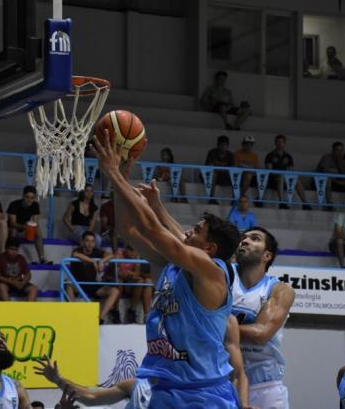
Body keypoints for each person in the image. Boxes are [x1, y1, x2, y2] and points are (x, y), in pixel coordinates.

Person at [93, 130, 242, 408]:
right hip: (165, 386)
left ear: (209, 248)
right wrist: (122, 177)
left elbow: (154, 229)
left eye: (196, 230)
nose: (187, 231)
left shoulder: (212, 270)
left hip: (204, 392)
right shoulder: (171, 267)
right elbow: (127, 229)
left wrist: (112, 173)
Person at [33, 316, 250, 408]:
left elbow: (238, 375)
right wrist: (58, 380)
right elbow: (91, 397)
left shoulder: (197, 392)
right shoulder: (136, 386)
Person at [231, 226, 295, 409]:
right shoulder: (224, 275)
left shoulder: (280, 290)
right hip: (225, 379)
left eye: (255, 238)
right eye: (243, 237)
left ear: (267, 255)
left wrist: (218, 324)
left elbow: (261, 333)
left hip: (264, 385)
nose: (245, 240)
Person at [66, 231, 119, 324]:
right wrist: (92, 261)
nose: (90, 244)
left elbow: (111, 255)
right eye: (87, 241)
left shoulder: (96, 251)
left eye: (92, 241)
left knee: (115, 291)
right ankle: (73, 314)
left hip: (92, 284)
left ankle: (100, 319)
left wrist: (102, 261)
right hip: (78, 284)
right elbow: (76, 255)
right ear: (82, 242)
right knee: (68, 284)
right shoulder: (77, 250)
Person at [103, 244, 153, 324]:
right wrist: (127, 274)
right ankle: (116, 311)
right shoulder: (119, 254)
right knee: (118, 281)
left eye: (135, 251)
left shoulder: (136, 255)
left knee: (140, 282)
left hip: (129, 283)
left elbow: (136, 274)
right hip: (119, 283)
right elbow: (117, 273)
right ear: (126, 250)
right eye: (131, 251)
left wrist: (129, 273)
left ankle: (132, 311)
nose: (134, 253)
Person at [264, 135, 312, 210]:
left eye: (282, 142)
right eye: (278, 142)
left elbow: (290, 170)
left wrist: (287, 176)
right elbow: (269, 171)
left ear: (285, 143)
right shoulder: (270, 155)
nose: (280, 144)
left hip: (285, 180)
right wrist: (281, 174)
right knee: (281, 177)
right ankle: (282, 203)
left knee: (296, 180)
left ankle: (305, 203)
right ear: (275, 143)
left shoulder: (288, 156)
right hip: (272, 181)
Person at [7, 185, 51, 264]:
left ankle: (42, 258)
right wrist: (23, 227)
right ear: (23, 196)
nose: (29, 200)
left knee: (38, 231)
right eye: (27, 197)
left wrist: (31, 228)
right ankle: (11, 257)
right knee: (14, 231)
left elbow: (36, 223)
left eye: (32, 198)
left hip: (24, 228)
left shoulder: (35, 205)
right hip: (12, 228)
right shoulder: (14, 204)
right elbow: (12, 223)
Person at [316, 141, 345, 208]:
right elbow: (325, 171)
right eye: (337, 150)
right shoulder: (326, 157)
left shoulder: (344, 161)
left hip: (337, 182)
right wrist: (336, 174)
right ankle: (329, 204)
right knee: (328, 179)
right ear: (333, 150)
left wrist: (339, 164)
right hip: (321, 182)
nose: (339, 152)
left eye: (341, 150)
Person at [205, 135, 235, 204]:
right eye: (222, 145)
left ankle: (234, 199)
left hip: (224, 176)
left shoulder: (230, 155)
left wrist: (219, 167)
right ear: (218, 145)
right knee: (214, 173)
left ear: (228, 146)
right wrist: (223, 168)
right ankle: (211, 198)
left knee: (235, 175)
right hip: (211, 175)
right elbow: (210, 166)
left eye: (225, 145)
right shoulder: (212, 152)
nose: (223, 147)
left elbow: (232, 169)